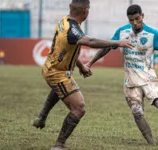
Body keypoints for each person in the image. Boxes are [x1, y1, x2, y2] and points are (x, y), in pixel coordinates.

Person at [85, 4, 158, 146]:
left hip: (148, 79)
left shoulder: (152, 34)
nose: (135, 23)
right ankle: (152, 144)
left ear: (142, 16)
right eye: (131, 20)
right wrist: (90, 63)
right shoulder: (122, 33)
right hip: (131, 81)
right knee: (137, 112)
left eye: (137, 18)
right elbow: (106, 48)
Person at [32, 0, 133, 150]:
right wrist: (117, 42)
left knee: (60, 89)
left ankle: (42, 117)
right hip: (57, 73)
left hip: (52, 67)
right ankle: (59, 145)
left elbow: (69, 48)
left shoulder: (65, 21)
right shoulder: (72, 30)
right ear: (85, 12)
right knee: (79, 108)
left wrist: (81, 66)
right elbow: (90, 41)